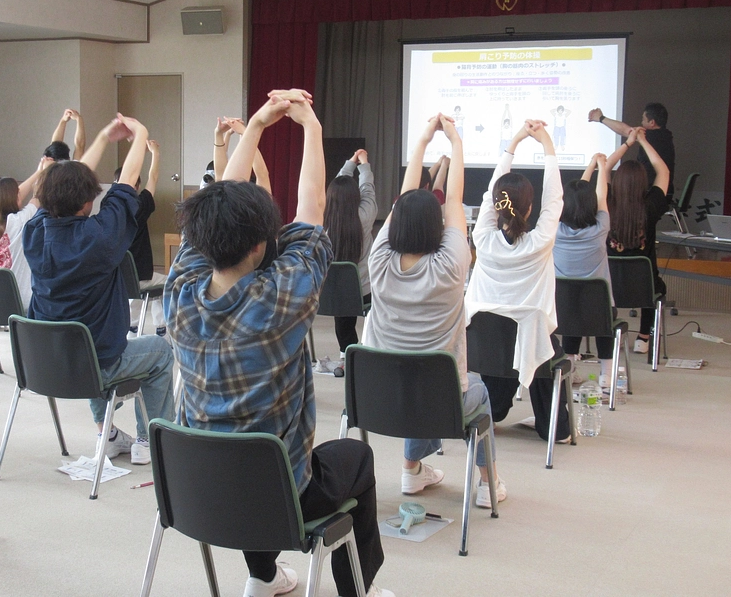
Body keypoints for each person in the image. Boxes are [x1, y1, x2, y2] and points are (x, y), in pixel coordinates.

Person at [165, 89, 392, 597]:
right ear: (261, 244)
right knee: (355, 459)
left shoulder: (179, 293)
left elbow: (219, 206)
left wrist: (256, 127)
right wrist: (309, 127)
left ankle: (263, 576)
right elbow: (311, 206)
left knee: (243, 447)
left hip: (196, 490)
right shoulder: (283, 297)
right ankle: (361, 588)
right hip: (283, 497)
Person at [363, 114, 505, 508]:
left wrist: (423, 141)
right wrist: (457, 142)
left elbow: (404, 200)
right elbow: (455, 199)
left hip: (375, 396)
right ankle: (487, 484)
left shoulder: (378, 258)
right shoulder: (451, 266)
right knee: (474, 389)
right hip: (439, 396)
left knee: (415, 374)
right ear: (438, 226)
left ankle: (412, 470)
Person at [23, 114, 174, 466]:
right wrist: (140, 136)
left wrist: (105, 137)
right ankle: (147, 440)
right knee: (160, 352)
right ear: (88, 201)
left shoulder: (34, 233)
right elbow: (126, 187)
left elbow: (61, 190)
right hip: (95, 366)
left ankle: (106, 435)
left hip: (44, 363)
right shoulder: (100, 240)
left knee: (85, 334)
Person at [465, 119, 571, 444]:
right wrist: (547, 145)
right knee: (545, 344)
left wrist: (513, 143)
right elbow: (556, 199)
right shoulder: (540, 242)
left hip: (487, 346)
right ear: (529, 207)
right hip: (530, 345)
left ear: (496, 206)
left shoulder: (481, 238)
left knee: (494, 409)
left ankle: (495, 404)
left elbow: (488, 196)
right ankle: (551, 424)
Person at [604, 127, 671, 354]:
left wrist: (628, 143)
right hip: (645, 287)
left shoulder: (607, 205)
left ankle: (609, 331)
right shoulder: (650, 207)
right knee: (652, 281)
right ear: (643, 184)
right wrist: (643, 141)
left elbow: (604, 169)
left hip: (610, 286)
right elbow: (663, 171)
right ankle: (643, 338)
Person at [554, 153, 614, 388]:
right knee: (603, 316)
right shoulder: (600, 228)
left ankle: (570, 367)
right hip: (598, 306)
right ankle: (606, 374)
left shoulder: (555, 231)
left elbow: (577, 199)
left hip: (563, 307)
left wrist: (590, 166)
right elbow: (601, 196)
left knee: (572, 309)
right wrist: (600, 166)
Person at [318, 148, 376, 374]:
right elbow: (368, 189)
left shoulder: (324, 222)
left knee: (344, 311)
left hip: (334, 296)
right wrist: (363, 165)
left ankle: (346, 355)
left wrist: (348, 165)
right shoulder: (364, 216)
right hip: (365, 294)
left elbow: (335, 188)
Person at [0, 157, 53, 308]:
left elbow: (7, 198)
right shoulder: (19, 222)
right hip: (17, 303)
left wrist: (38, 172)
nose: (20, 195)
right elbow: (38, 196)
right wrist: (45, 173)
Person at [115, 139, 167, 335]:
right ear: (136, 186)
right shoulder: (139, 205)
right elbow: (152, 177)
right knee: (165, 282)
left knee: (137, 288)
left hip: (119, 277)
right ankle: (161, 328)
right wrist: (154, 153)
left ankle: (132, 326)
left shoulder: (109, 209)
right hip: (141, 277)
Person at [588, 102, 675, 199]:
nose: (641, 123)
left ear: (652, 123)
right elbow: (664, 172)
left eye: (643, 119)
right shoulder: (666, 136)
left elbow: (625, 130)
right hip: (661, 193)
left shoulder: (650, 136)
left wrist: (601, 118)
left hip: (647, 192)